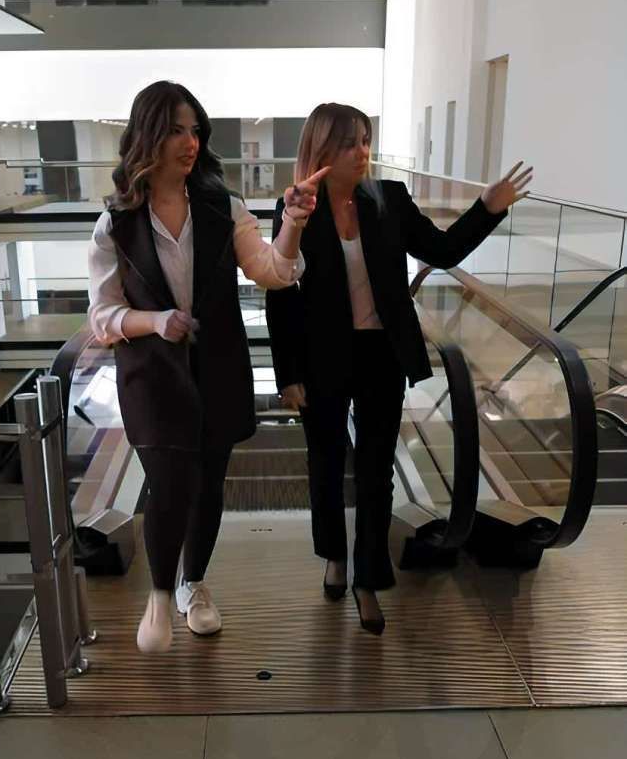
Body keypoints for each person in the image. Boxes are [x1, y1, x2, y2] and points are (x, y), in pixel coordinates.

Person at [265, 103, 532, 635]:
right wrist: (287, 374)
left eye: (366, 140)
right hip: (322, 358)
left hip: (381, 355)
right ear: (320, 151)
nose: (362, 152)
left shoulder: (389, 199)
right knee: (324, 464)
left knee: (375, 471)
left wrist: (488, 207)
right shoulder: (295, 208)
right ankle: (334, 557)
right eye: (349, 143)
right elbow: (281, 296)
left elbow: (443, 248)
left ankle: (367, 577)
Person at [87, 81, 328, 653]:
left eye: (195, 129)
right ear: (147, 134)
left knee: (210, 485)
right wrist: (155, 321)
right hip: (152, 375)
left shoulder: (225, 207)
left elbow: (272, 270)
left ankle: (194, 585)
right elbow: (102, 315)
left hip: (218, 368)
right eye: (175, 129)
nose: (189, 142)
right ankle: (160, 594)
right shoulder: (115, 223)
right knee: (171, 482)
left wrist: (292, 222)